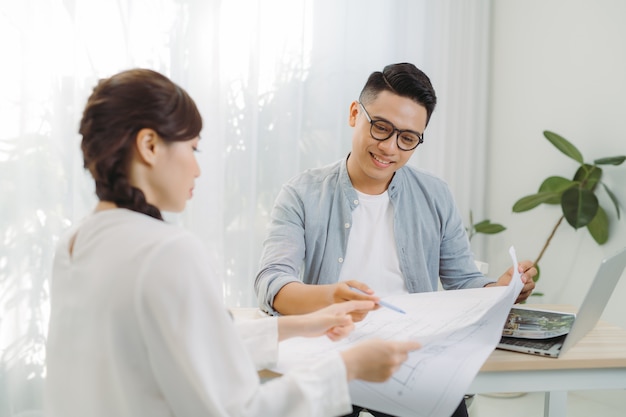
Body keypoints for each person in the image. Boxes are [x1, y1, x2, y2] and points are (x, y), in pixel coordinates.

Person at [44, 68, 422, 417]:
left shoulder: (74, 244)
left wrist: (302, 325)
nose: (197, 168)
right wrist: (348, 366)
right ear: (149, 145)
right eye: (192, 148)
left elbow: (195, 344)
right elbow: (239, 410)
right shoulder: (169, 252)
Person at [254, 63, 537, 417]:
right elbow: (273, 283)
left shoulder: (435, 195)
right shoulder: (302, 194)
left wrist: (501, 287)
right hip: (333, 352)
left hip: (412, 354)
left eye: (407, 138)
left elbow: (463, 282)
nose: (389, 148)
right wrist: (331, 297)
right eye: (381, 128)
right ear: (355, 113)